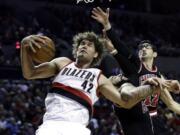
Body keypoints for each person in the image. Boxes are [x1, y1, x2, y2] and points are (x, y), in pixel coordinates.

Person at [20, 32, 162, 135]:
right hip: (51, 124)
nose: (84, 46)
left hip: (77, 128)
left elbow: (125, 102)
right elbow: (29, 73)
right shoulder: (62, 63)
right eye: (82, 44)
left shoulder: (99, 76)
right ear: (76, 50)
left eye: (89, 45)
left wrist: (150, 88)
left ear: (95, 54)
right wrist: (24, 46)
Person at [91, 7, 180, 135]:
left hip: (153, 119)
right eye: (140, 48)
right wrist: (107, 25)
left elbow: (171, 104)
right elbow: (121, 46)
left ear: (154, 54)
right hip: (135, 115)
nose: (143, 49)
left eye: (146, 47)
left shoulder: (159, 75)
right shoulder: (136, 66)